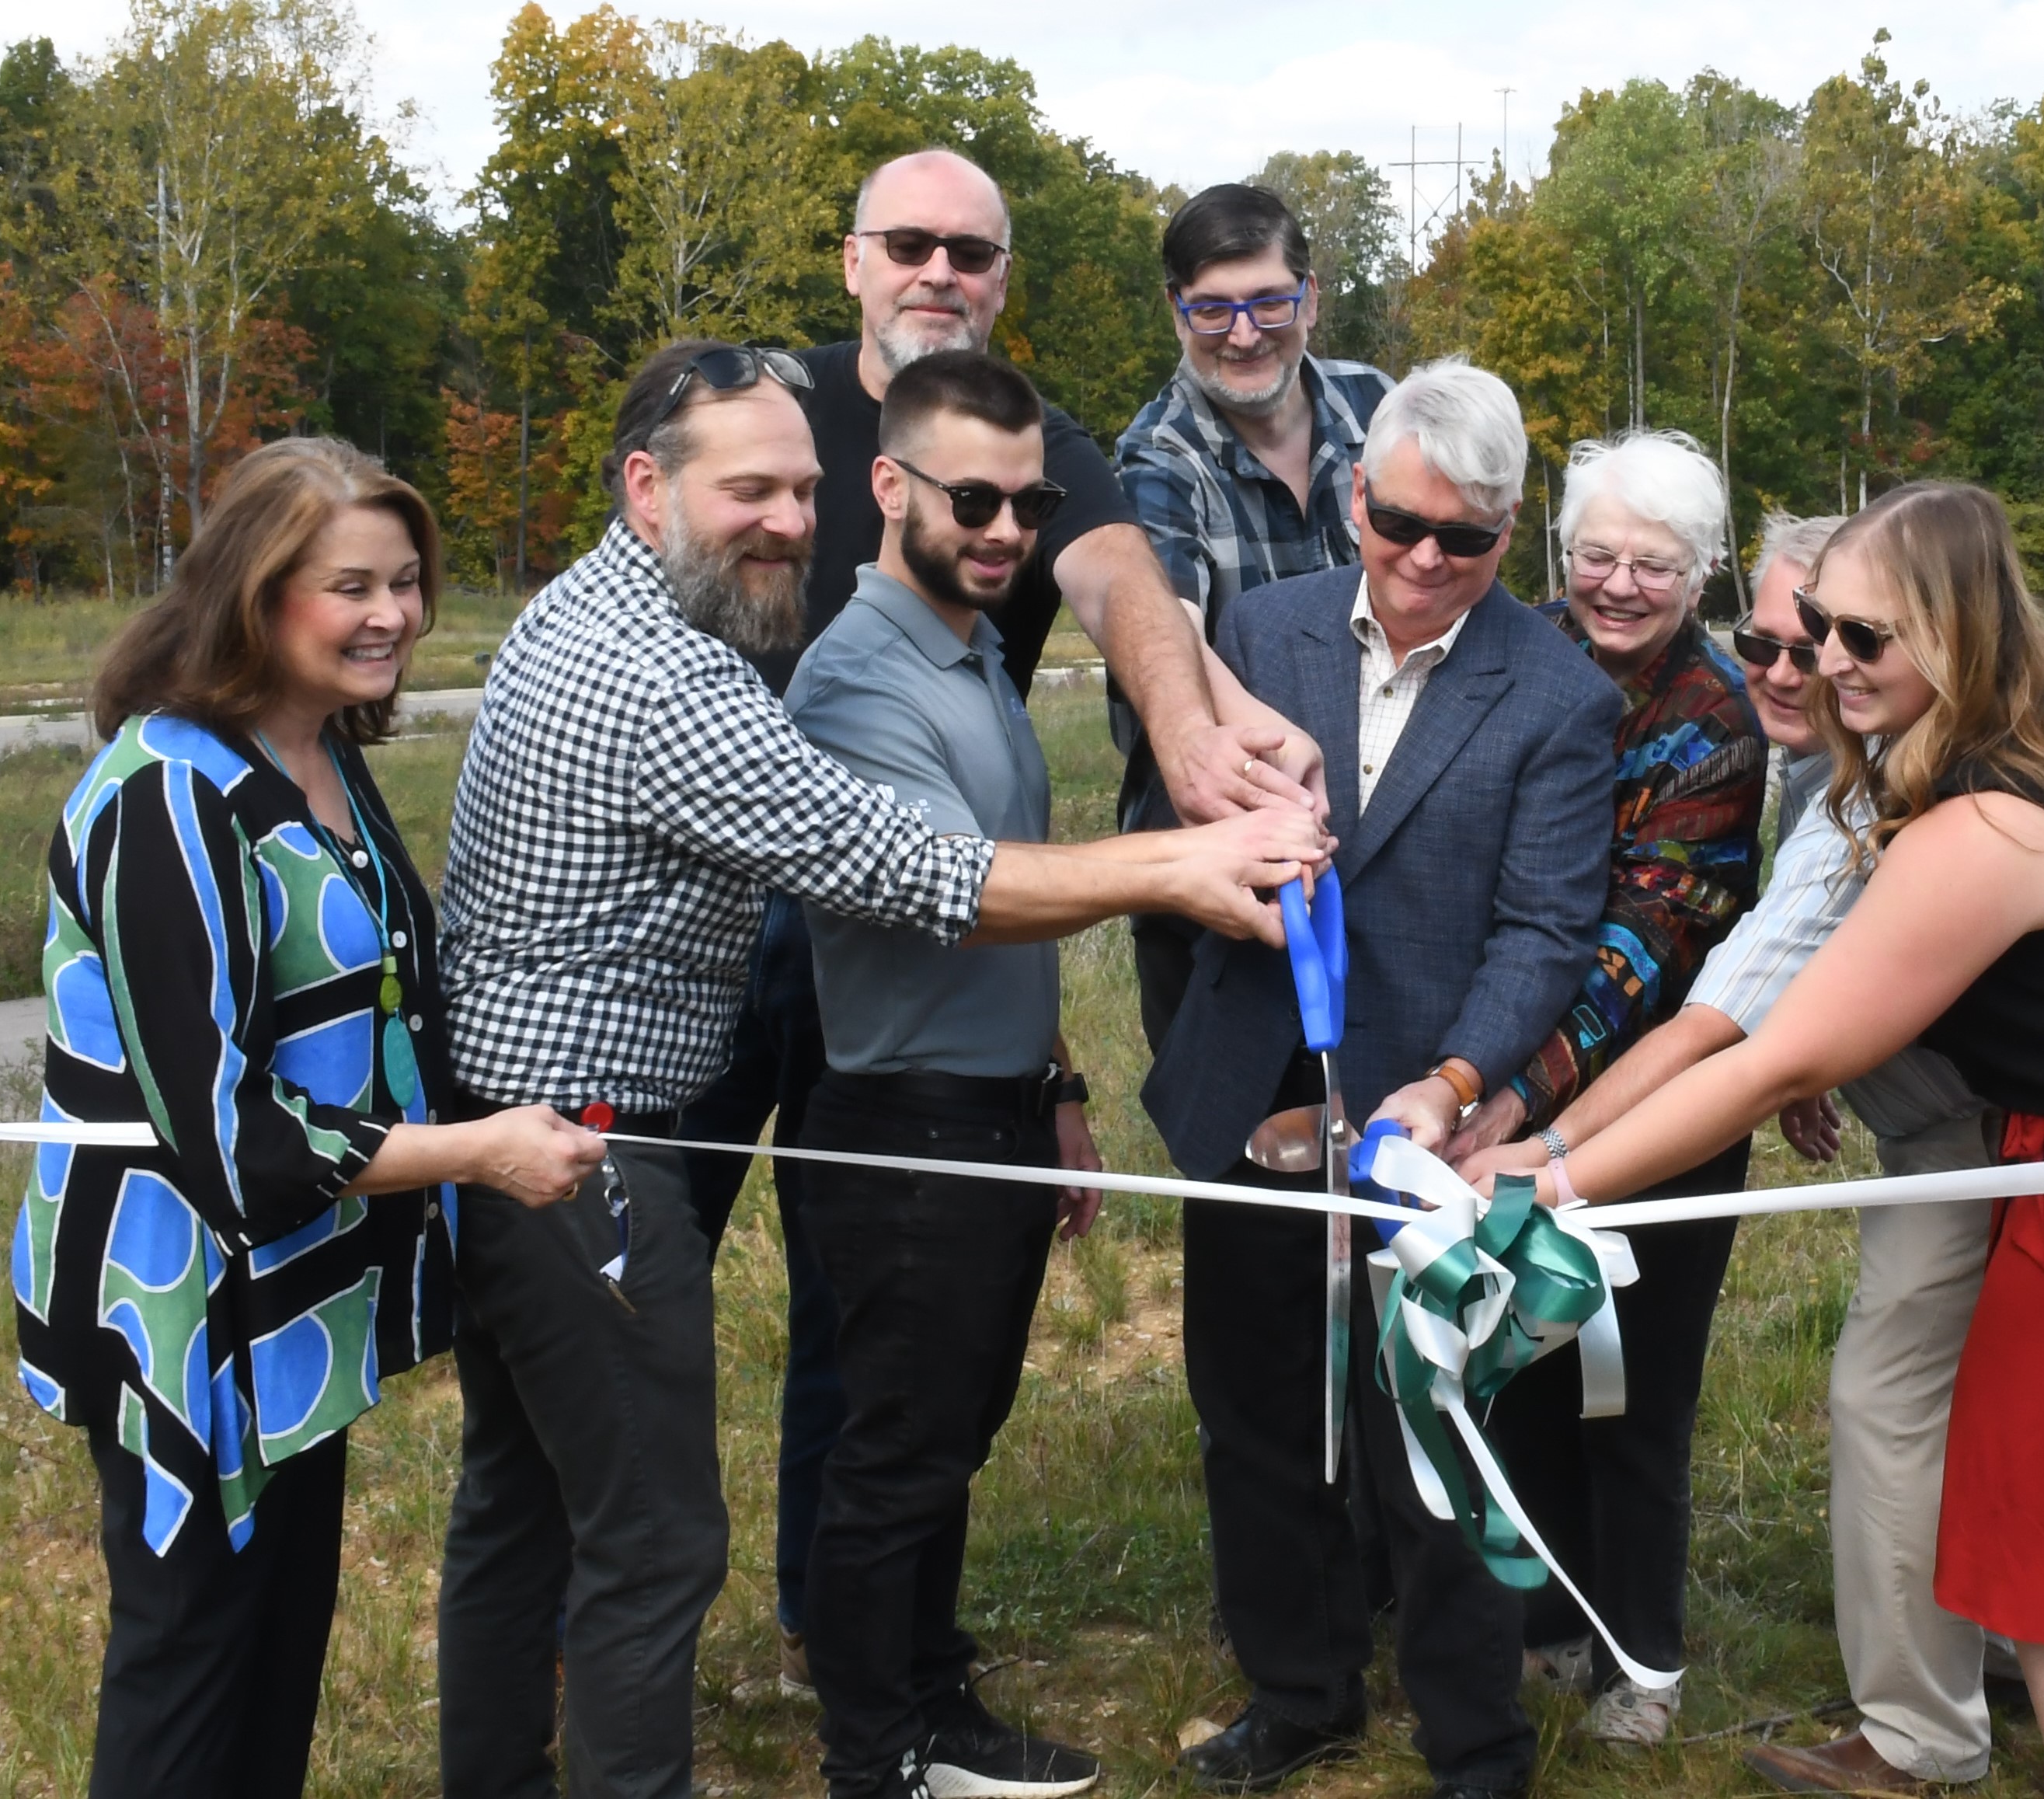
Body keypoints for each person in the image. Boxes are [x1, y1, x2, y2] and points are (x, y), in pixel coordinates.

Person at [433, 339, 1328, 1799]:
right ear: (646, 483)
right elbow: (902, 868)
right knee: (655, 1540)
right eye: (750, 491)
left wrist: (1051, 1075)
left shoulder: (618, 614)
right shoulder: (664, 676)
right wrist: (1186, 858)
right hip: (586, 1150)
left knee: (526, 1506)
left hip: (545, 1127)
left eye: (799, 489)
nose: (789, 520)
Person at [1482, 482, 2044, 1799]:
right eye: (1813, 628)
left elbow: (1777, 1049)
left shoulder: (1984, 822)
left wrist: (1550, 1180)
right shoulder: (2015, 708)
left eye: (1859, 639)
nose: (1824, 663)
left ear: (1956, 629)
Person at [675, 148, 1324, 1691]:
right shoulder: (772, 422)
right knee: (635, 1285)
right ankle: (586, 1623)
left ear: (1004, 280)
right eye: (910, 243)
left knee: (871, 1308)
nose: (940, 272)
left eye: (973, 252)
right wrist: (1166, 862)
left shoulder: (1040, 450)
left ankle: (837, 1635)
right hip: (706, 926)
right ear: (851, 261)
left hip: (910, 940)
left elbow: (1123, 586)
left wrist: (1189, 739)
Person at [16, 437, 606, 1799]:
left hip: (296, 1290)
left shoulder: (318, 752)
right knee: (188, 1660)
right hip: (182, 1307)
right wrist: (481, 1156)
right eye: (351, 586)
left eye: (406, 582)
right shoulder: (168, 794)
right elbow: (234, 1148)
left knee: (282, 1644)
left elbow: (397, 1003)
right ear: (253, 593)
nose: (391, 614)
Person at [1471, 509, 2011, 1793]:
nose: (1785, 668)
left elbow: (1733, 1013)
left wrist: (1543, 1153)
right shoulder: (1831, 767)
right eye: (1760, 643)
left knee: (1884, 1406)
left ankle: (1923, 1731)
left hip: (2034, 1134)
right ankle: (2008, 1646)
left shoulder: (1869, 782)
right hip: (1944, 1118)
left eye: (1822, 638)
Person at [1141, 359, 1621, 1799]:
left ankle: (1472, 1738)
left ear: (1508, 532)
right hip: (1247, 1090)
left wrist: (1454, 1081)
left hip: (1425, 1123)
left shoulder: (1556, 695)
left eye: (1462, 541)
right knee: (1255, 1410)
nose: (1422, 560)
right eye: (1398, 522)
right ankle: (1298, 1692)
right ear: (1355, 495)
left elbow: (1546, 926)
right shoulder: (1257, 630)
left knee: (1438, 1423)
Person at [780, 350, 1114, 1799]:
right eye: (971, 497)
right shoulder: (856, 680)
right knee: (899, 1453)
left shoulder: (973, 645)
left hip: (987, 1107)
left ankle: (929, 1693)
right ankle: (879, 1754)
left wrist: (1056, 1084)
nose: (1002, 530)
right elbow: (961, 893)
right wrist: (1169, 872)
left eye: (1027, 501)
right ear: (889, 486)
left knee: (947, 1440)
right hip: (901, 1127)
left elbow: (1003, 925)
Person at [1429, 431, 1766, 1746]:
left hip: (1656, 1093)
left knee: (1635, 1386)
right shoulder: (1510, 650)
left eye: (1655, 566)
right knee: (1519, 1363)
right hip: (1493, 1060)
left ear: (1701, 577)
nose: (1618, 585)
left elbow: (1640, 944)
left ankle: (1641, 1655)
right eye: (1595, 557)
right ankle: (1544, 1621)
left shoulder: (1715, 720)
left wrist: (1515, 1104)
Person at [1114, 180, 1395, 1048]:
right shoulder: (1155, 455)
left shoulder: (1380, 407)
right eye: (1212, 311)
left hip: (1388, 827)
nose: (1243, 334)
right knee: (1241, 1153)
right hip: (1223, 847)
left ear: (1309, 295)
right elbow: (1169, 639)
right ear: (1175, 312)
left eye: (1268, 301)